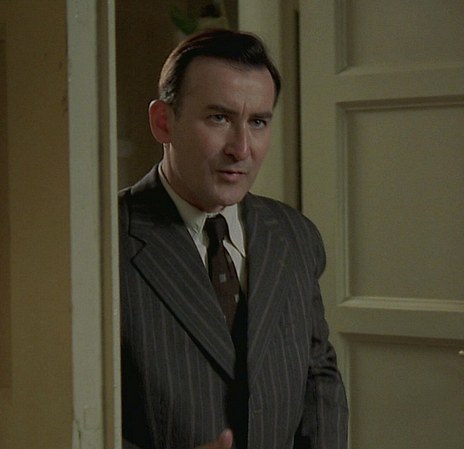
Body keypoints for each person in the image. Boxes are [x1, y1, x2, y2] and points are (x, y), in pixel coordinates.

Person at [119, 29, 348, 449]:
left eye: (258, 122)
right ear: (163, 122)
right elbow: (66, 412)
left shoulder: (295, 236)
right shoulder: (102, 242)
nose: (241, 148)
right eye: (219, 118)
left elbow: (319, 377)